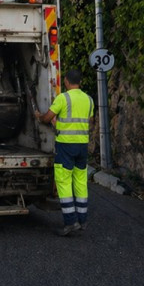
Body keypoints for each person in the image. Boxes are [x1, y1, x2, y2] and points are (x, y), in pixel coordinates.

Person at [34, 69, 95, 237]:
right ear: (80, 82)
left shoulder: (63, 98)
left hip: (66, 146)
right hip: (82, 146)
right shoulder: (89, 100)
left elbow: (48, 118)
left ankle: (70, 222)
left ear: (67, 82)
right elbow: (88, 123)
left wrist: (40, 117)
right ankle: (82, 220)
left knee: (63, 182)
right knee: (81, 182)